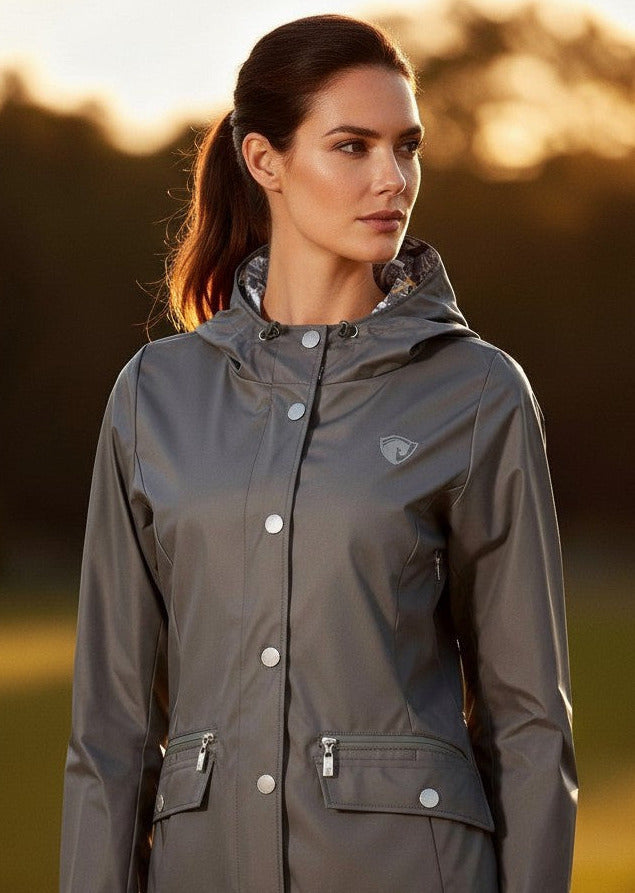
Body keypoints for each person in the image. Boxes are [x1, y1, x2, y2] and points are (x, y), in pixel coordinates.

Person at [59, 13, 578, 893]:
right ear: (266, 162)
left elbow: (529, 723)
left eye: (405, 147)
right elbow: (107, 732)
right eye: (352, 146)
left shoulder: (478, 393)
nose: (392, 179)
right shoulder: (153, 397)